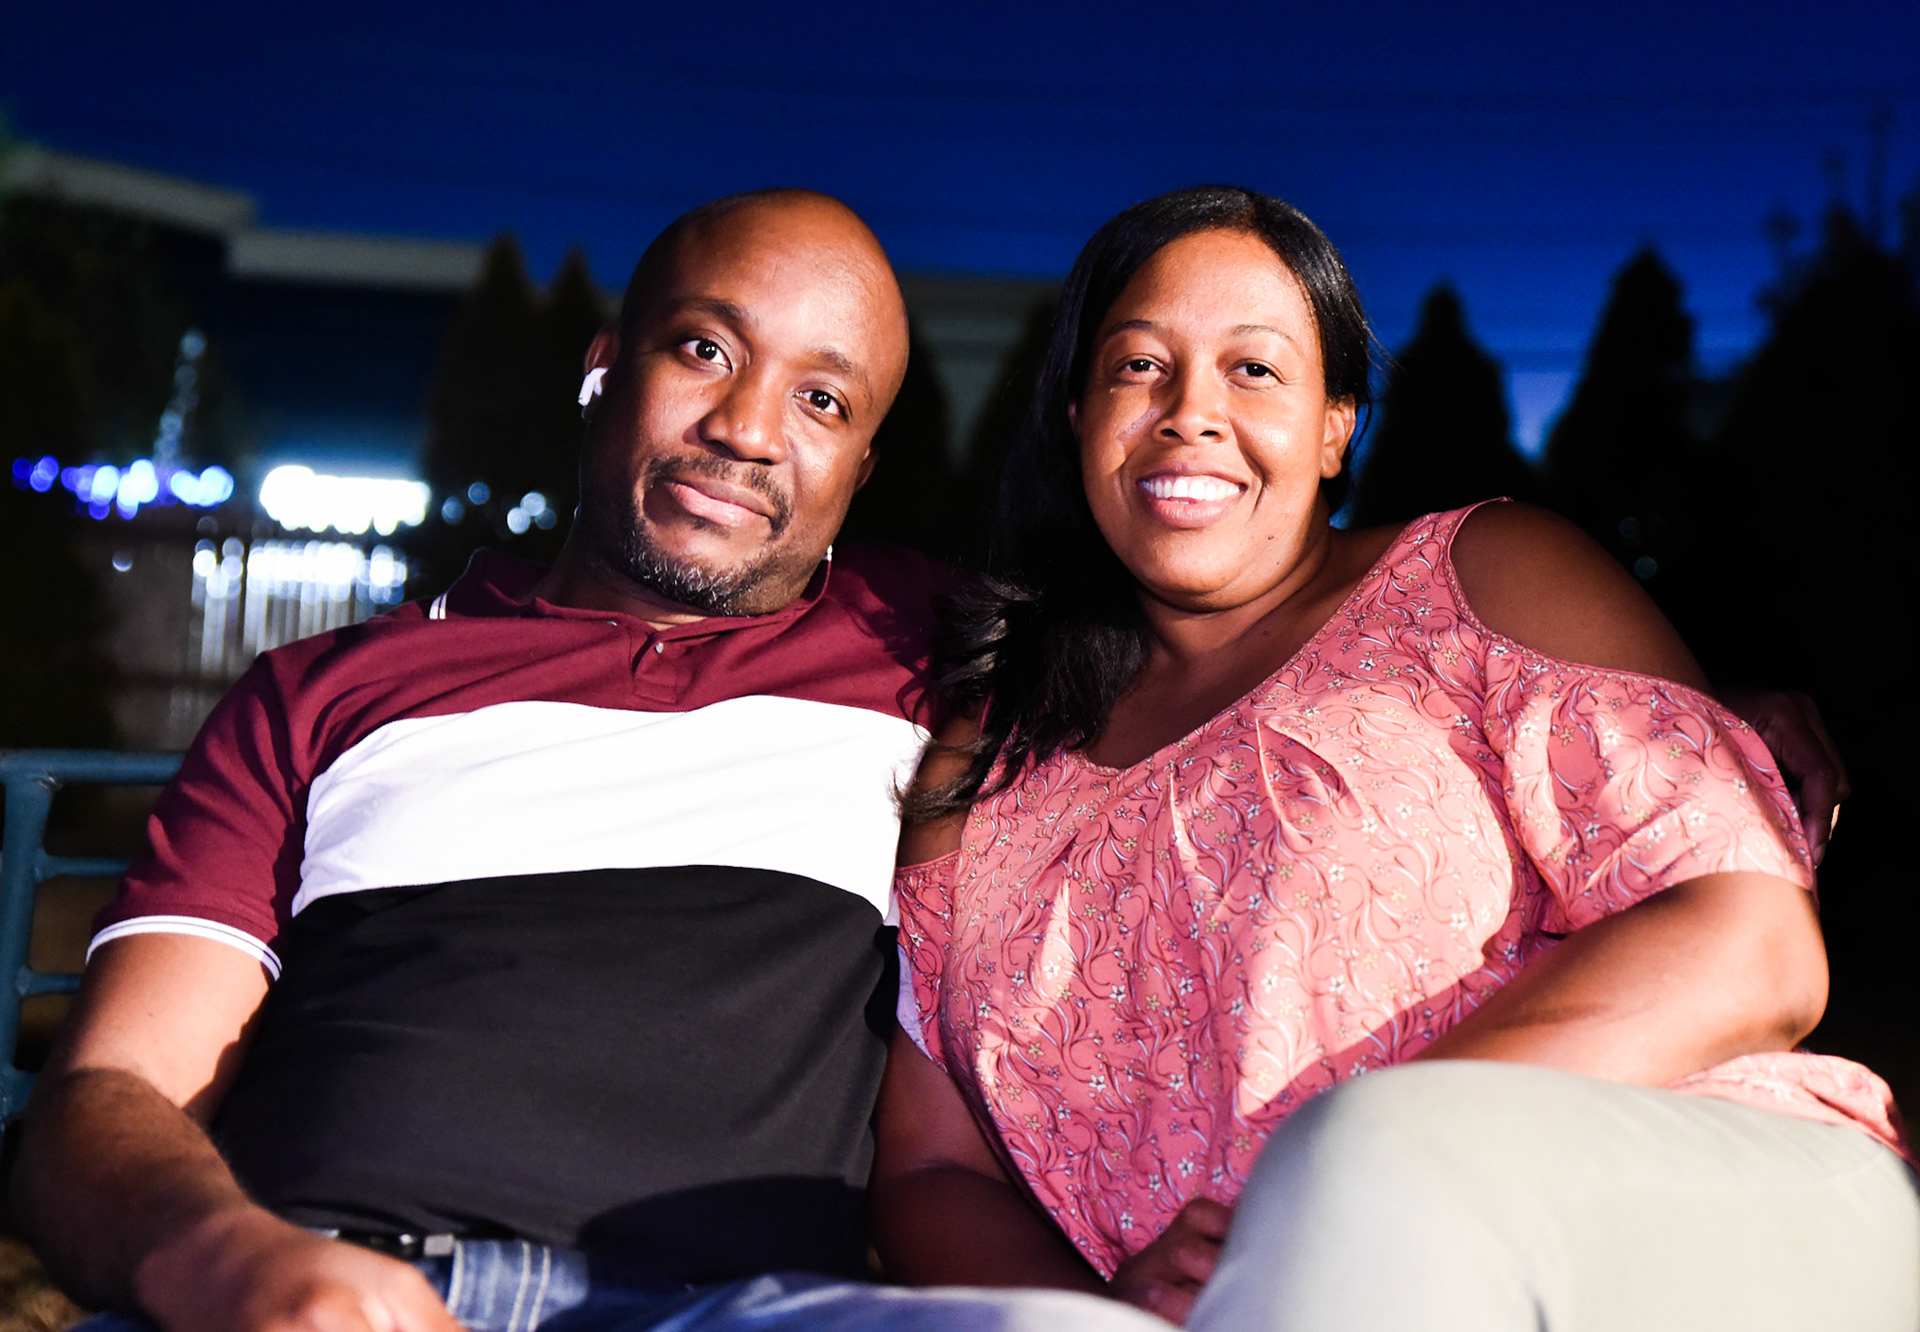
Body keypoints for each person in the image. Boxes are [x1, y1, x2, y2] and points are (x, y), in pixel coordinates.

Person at [10, 190, 1165, 1332]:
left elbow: (1237, 608)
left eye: (821, 399)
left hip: (734, 1315)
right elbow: (109, 1096)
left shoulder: (930, 650)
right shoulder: (323, 695)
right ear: (604, 368)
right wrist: (225, 1261)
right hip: (330, 1288)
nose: (746, 429)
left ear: (860, 469)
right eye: (706, 350)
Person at [871, 185, 1919, 1330]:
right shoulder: (985, 756)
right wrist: (1112, 1315)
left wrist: (1326, 1190)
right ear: (1078, 413)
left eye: (1254, 369)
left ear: (1336, 429)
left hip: (1638, 1229)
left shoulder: (1481, 581)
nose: (1190, 413)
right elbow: (932, 1167)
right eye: (1139, 366)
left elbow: (1749, 939)